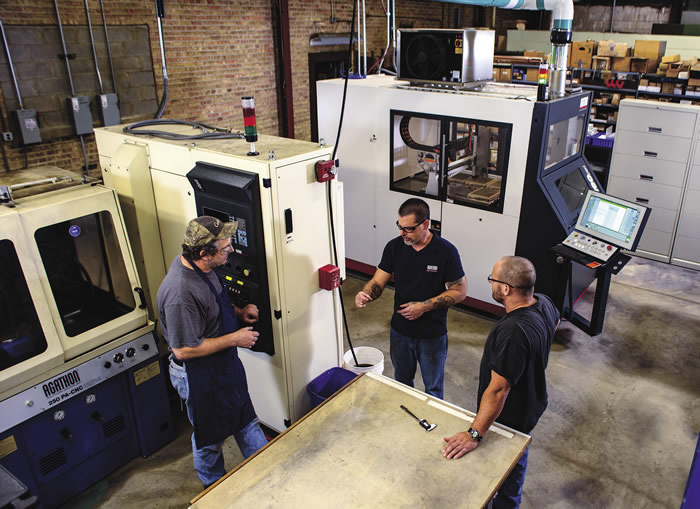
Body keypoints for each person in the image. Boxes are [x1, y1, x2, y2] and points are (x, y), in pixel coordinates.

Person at [156, 216, 268, 488]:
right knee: (209, 436)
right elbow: (183, 349)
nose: (231, 251)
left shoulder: (203, 268)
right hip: (198, 375)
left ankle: (268, 467)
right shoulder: (180, 293)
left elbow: (212, 304)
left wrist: (239, 312)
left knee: (245, 417)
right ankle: (213, 488)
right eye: (226, 248)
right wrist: (235, 338)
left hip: (223, 366)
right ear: (205, 254)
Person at [442, 255, 560, 509]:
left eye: (492, 279)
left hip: (509, 419)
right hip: (532, 405)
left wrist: (475, 434)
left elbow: (498, 390)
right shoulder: (545, 303)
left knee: (502, 475)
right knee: (517, 462)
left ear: (506, 289)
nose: (491, 284)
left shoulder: (513, 332)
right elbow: (555, 322)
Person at [354, 198, 466, 398]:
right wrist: (366, 293)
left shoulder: (446, 252)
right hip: (400, 332)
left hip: (432, 334)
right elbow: (378, 281)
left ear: (425, 224)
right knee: (402, 385)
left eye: (408, 229)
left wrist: (423, 307)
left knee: (433, 389)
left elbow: (459, 291)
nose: (402, 233)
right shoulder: (395, 247)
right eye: (400, 227)